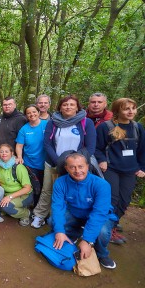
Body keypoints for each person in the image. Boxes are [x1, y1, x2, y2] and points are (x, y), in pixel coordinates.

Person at [31, 95, 96, 229]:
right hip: (53, 162)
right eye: (65, 104)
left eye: (72, 104)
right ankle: (39, 215)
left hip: (76, 166)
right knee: (48, 189)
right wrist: (59, 162)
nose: (68, 107)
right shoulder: (53, 122)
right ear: (60, 107)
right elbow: (47, 144)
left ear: (77, 107)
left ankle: (71, 220)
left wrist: (75, 164)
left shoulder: (86, 122)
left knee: (74, 191)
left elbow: (90, 147)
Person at [52, 153, 117, 269]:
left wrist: (87, 240)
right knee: (53, 221)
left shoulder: (102, 185)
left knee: (102, 231)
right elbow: (57, 207)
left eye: (81, 166)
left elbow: (98, 214)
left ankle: (102, 253)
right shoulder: (60, 182)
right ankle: (74, 233)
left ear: (88, 166)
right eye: (72, 167)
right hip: (75, 213)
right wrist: (59, 231)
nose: (77, 171)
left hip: (98, 216)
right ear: (66, 168)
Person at [95, 98, 145, 244]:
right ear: (117, 111)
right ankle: (107, 230)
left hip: (130, 170)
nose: (131, 112)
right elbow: (97, 148)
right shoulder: (105, 127)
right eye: (126, 108)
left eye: (133, 108)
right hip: (111, 169)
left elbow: (142, 150)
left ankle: (113, 225)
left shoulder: (137, 127)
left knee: (124, 201)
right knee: (112, 199)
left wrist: (142, 168)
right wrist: (101, 160)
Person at [0, 144, 33, 226]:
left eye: (6, 151)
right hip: (7, 193)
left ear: (12, 153)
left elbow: (27, 188)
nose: (4, 154)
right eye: (1, 152)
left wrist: (9, 197)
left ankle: (27, 213)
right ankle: (15, 207)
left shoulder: (18, 167)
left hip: (23, 195)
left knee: (6, 207)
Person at [15, 105, 47, 191]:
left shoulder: (47, 124)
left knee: (46, 187)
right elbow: (19, 145)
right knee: (36, 187)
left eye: (34, 112)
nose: (32, 114)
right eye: (28, 113)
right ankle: (34, 204)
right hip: (30, 163)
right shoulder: (24, 129)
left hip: (46, 162)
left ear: (39, 113)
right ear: (26, 116)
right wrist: (19, 157)